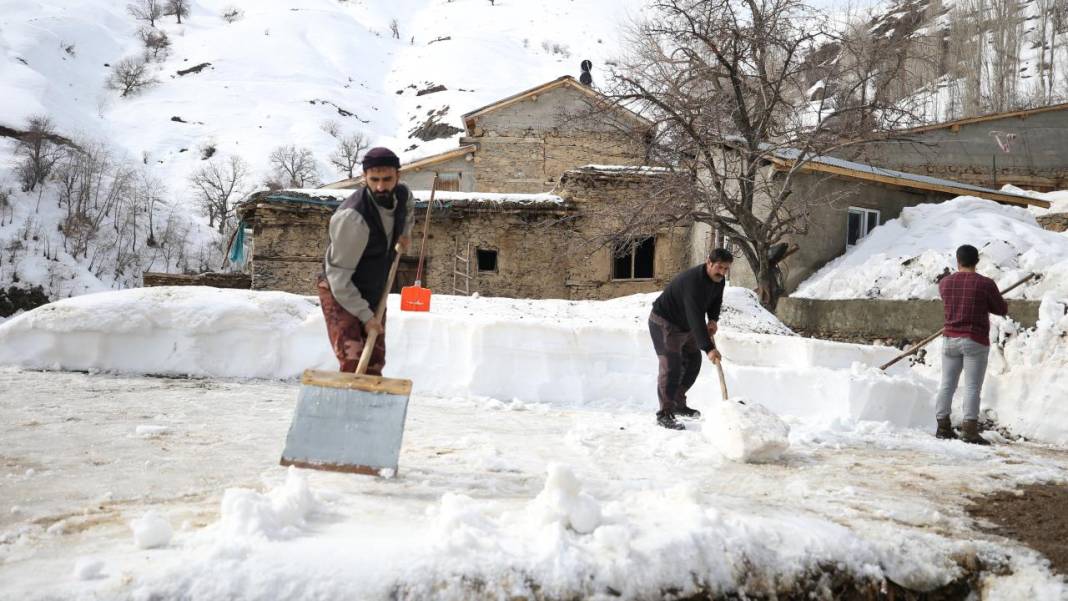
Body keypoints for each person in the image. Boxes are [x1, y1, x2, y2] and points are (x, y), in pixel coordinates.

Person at [318, 147, 412, 374]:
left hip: (373, 287)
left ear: (398, 176)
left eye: (387, 179)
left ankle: (370, 407)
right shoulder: (353, 218)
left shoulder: (402, 195)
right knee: (354, 361)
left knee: (374, 363)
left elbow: (407, 211)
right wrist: (366, 317)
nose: (381, 186)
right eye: (374, 179)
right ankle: (345, 406)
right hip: (339, 290)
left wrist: (405, 233)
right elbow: (339, 278)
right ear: (364, 178)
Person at [648, 248, 732, 430]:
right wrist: (709, 348)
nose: (723, 272)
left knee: (693, 360)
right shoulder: (693, 282)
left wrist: (713, 319)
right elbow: (695, 316)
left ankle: (678, 402)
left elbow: (716, 299)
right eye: (719, 267)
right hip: (665, 323)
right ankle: (664, 413)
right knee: (672, 367)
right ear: (708, 262)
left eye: (726, 269)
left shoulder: (719, 280)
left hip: (685, 324)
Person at [934, 244, 1008, 445]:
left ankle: (942, 427)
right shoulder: (985, 284)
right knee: (972, 387)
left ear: (957, 261)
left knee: (947, 384)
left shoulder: (945, 283)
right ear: (977, 261)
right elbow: (1000, 308)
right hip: (974, 340)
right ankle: (969, 430)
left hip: (949, 339)